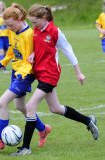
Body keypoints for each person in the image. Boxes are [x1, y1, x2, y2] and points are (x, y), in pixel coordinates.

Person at [11, 4, 99, 156]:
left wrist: (79, 73)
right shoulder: (37, 30)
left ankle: (25, 148)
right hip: (40, 73)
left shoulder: (55, 32)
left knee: (30, 106)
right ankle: (88, 120)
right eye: (32, 23)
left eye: (35, 22)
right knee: (55, 108)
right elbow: (36, 46)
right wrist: (32, 53)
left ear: (44, 18)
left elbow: (68, 50)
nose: (34, 26)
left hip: (50, 75)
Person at [0, 3, 51, 153]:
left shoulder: (29, 35)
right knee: (20, 107)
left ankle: (0, 141)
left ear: (19, 19)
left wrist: (22, 74)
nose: (8, 28)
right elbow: (12, 50)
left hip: (25, 74)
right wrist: (4, 61)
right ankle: (43, 129)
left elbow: (30, 60)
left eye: (10, 25)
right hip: (16, 72)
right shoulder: (12, 31)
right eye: (6, 26)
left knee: (2, 102)